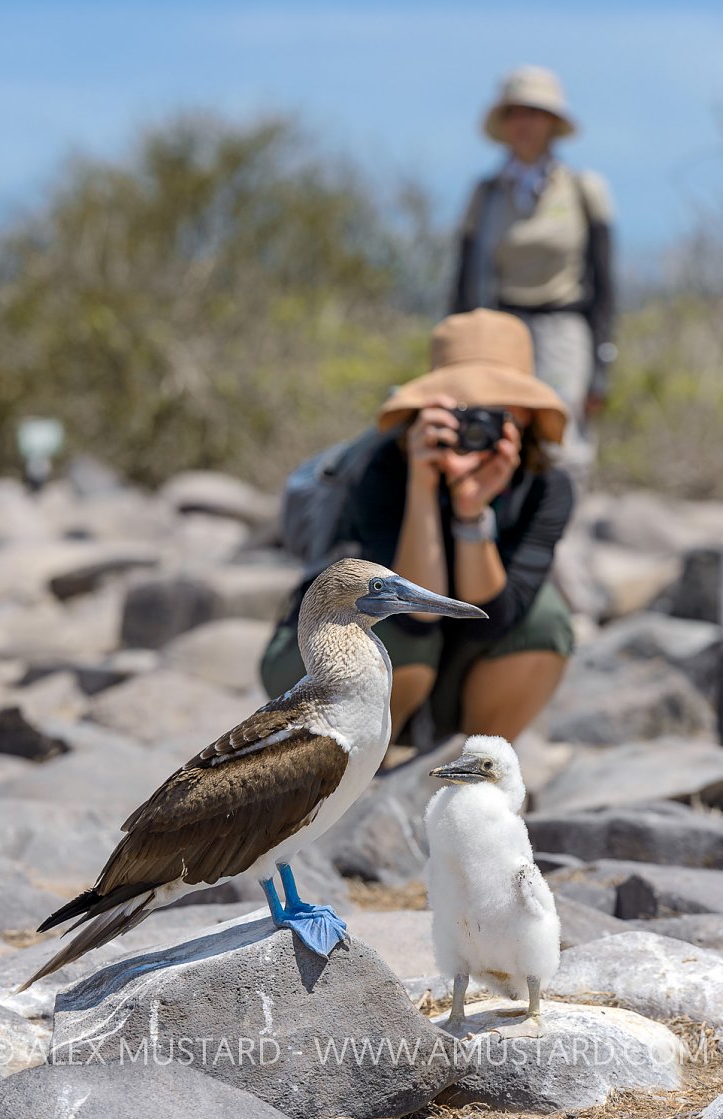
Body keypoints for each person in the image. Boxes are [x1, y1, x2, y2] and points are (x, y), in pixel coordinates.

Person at [261, 309, 574, 748]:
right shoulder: (383, 465)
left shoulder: (546, 487)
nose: (478, 425)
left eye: (498, 406)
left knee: (545, 621)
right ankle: (351, 763)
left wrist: (471, 513)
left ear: (526, 412)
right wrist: (422, 487)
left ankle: (472, 776)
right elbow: (417, 615)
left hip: (447, 669)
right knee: (397, 625)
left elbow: (492, 622)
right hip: (328, 662)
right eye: (465, 408)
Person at [450, 66, 616, 480]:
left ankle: (565, 539)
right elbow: (463, 282)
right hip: (500, 329)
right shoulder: (484, 195)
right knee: (494, 438)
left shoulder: (584, 189)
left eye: (535, 112)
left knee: (562, 443)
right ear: (504, 123)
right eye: (515, 113)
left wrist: (601, 364)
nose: (524, 123)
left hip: (564, 328)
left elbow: (605, 282)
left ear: (552, 123)